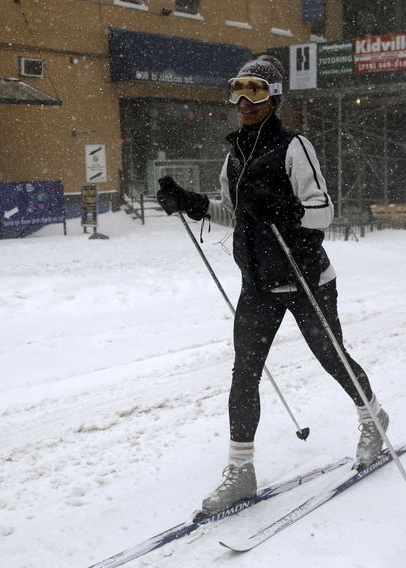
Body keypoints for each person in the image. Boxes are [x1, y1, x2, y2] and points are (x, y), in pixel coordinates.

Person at [156, 55, 388, 516]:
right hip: (259, 282)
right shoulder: (235, 153)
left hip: (305, 280)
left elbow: (324, 212)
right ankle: (241, 471)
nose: (244, 101)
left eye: (256, 91)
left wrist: (282, 209)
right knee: (245, 372)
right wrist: (194, 203)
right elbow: (234, 212)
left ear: (275, 97)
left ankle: (373, 420)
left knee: (332, 358)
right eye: (237, 90)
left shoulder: (293, 146)